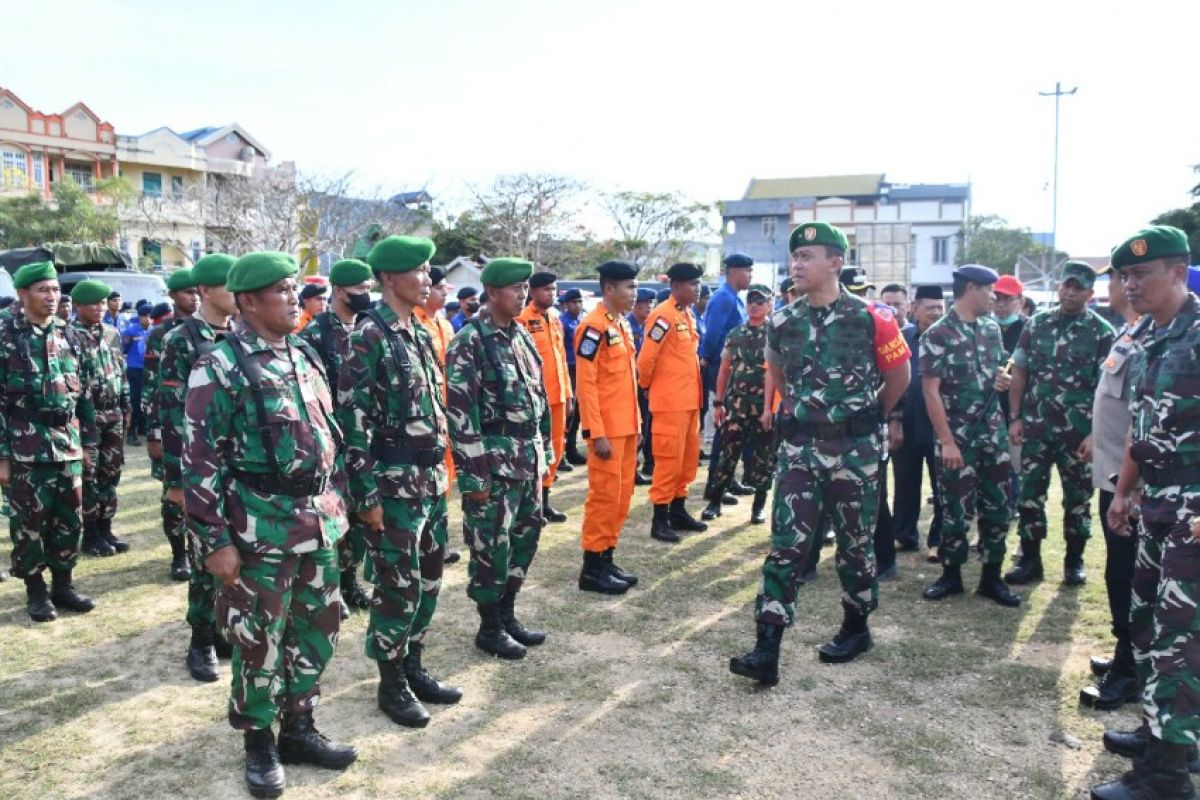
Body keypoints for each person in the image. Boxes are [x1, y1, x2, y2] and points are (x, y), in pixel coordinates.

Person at [184, 251, 357, 798]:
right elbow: (199, 461)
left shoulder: (302, 355)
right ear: (250, 301)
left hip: (317, 521)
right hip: (259, 528)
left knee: (318, 628)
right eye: (281, 290)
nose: (294, 298)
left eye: (293, 288)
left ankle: (299, 727)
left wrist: (340, 502)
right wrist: (214, 541)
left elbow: (327, 436)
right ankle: (258, 739)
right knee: (258, 638)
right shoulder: (220, 365)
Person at [729, 222, 909, 685]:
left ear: (836, 263)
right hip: (800, 449)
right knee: (786, 545)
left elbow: (899, 378)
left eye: (808, 255)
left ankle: (856, 624)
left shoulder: (873, 317)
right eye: (795, 256)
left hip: (855, 450)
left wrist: (864, 419)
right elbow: (779, 377)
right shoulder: (783, 320)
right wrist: (807, 415)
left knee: (854, 545)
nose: (797, 264)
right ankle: (767, 645)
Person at [1092, 225, 1199, 799]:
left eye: (1142, 274)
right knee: (1152, 629)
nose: (1130, 285)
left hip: (1194, 508)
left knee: (1181, 638)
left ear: (1179, 273)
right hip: (1156, 503)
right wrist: (1123, 491)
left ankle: (1167, 777)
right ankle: (1165, 733)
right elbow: (1141, 428)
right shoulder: (1148, 341)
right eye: (1125, 276)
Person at [338, 237, 462, 729]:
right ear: (390, 278)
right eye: (419, 270)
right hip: (392, 488)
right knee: (397, 586)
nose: (427, 279)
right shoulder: (368, 335)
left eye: (429, 270)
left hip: (428, 481)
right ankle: (391, 681)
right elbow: (352, 419)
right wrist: (365, 495)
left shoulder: (419, 332)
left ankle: (413, 664)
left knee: (429, 580)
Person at [446, 258, 552, 661]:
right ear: (492, 293)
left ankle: (507, 614)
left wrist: (546, 450)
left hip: (526, 461)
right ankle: (489, 626)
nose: (523, 294)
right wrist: (474, 478)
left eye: (526, 287)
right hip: (494, 465)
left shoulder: (520, 336)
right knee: (492, 546)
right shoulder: (470, 341)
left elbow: (538, 399)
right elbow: (461, 414)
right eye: (515, 288)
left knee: (527, 536)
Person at [1006, 261, 1115, 586]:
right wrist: (1015, 417)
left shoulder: (1101, 332)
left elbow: (1106, 388)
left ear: (1090, 293)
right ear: (1059, 287)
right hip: (1036, 429)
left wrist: (1096, 433)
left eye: (1078, 287)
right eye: (1066, 285)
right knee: (1030, 496)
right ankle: (1030, 560)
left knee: (1078, 499)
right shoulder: (1035, 325)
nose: (1070, 292)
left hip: (1078, 434)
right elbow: (1020, 372)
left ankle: (1074, 561)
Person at [918, 266, 1021, 607]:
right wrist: (946, 441)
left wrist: (1001, 381)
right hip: (957, 439)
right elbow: (931, 393)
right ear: (971, 289)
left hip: (993, 436)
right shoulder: (938, 334)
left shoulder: (991, 330)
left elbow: (999, 369)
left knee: (998, 508)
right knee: (955, 511)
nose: (995, 297)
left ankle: (991, 578)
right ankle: (951, 575)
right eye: (990, 291)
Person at [0, 261, 97, 623]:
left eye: (56, 290)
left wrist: (87, 442)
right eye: (43, 289)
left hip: (67, 442)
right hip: (25, 445)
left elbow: (83, 394)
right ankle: (36, 591)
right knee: (29, 524)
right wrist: (2, 456)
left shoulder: (69, 334)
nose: (52, 297)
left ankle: (64, 585)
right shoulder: (5, 334)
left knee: (69, 519)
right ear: (23, 294)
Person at [160, 253, 238, 683]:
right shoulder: (182, 339)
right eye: (229, 286)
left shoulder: (244, 333)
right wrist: (176, 480)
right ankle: (201, 639)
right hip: (202, 468)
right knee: (205, 556)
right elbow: (172, 414)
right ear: (206, 291)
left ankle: (224, 631)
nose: (238, 294)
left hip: (242, 468)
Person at [1078, 262, 1147, 711]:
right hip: (1114, 475)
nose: (1120, 285)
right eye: (1120, 277)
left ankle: (1132, 668)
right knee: (1120, 573)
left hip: (1136, 483)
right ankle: (1128, 655)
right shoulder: (1129, 333)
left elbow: (1142, 422)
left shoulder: (1153, 338)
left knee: (1133, 577)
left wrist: (1126, 487)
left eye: (1125, 277)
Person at [299, 259, 376, 617]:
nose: (368, 295)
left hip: (365, 437)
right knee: (334, 517)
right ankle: (332, 586)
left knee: (360, 516)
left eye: (370, 288)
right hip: (332, 441)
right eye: (361, 289)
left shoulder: (368, 328)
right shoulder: (314, 335)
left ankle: (349, 579)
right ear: (342, 291)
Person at [573, 260, 642, 595]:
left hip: (626, 427)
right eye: (629, 287)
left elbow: (628, 382)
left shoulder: (621, 325)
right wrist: (595, 433)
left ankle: (607, 557)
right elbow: (586, 385)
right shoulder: (593, 326)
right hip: (607, 432)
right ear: (609, 289)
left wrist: (638, 424)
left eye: (635, 286)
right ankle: (592, 568)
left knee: (621, 496)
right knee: (603, 497)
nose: (635, 293)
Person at [638, 262, 708, 543]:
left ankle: (678, 510)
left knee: (687, 459)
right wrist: (646, 386)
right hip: (670, 403)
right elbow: (646, 360)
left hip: (689, 400)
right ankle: (660, 519)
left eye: (698, 283)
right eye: (692, 284)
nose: (697, 288)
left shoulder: (685, 314)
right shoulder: (662, 316)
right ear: (676, 286)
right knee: (668, 461)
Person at [144, 266, 201, 580]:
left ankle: (199, 549)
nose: (193, 297)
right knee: (175, 493)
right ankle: (179, 554)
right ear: (173, 296)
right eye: (187, 292)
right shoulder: (162, 334)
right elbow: (155, 388)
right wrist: (154, 432)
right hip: (173, 424)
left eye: (196, 291)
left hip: (205, 424)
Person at [701, 284, 774, 524]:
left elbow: (779, 371)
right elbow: (724, 369)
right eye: (751, 301)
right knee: (727, 454)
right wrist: (719, 402)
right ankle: (715, 501)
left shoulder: (776, 334)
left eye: (760, 301)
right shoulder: (736, 334)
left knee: (764, 459)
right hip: (737, 405)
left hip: (765, 407)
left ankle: (758, 507)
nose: (755, 305)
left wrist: (771, 408)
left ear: (769, 305)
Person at [70, 280, 131, 558]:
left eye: (103, 302)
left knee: (111, 471)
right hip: (88, 416)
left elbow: (122, 371)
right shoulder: (69, 335)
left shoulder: (111, 333)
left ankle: (106, 528)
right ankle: (91, 534)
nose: (99, 307)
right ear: (78, 305)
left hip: (114, 412)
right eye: (93, 303)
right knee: (89, 476)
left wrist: (127, 406)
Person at [892, 285, 945, 562]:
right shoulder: (901, 338)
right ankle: (904, 535)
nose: (936, 313)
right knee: (905, 482)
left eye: (940, 307)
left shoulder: (951, 337)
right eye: (930, 308)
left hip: (941, 426)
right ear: (915, 309)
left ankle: (938, 540)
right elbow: (889, 380)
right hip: (907, 423)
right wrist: (894, 421)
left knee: (943, 486)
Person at [517, 271, 574, 523]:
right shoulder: (522, 319)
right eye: (546, 290)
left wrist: (569, 394)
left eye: (554, 289)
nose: (551, 294)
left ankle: (546, 501)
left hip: (558, 396)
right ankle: (531, 505)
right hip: (535, 399)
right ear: (532, 291)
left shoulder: (554, 319)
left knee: (555, 449)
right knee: (535, 452)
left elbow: (561, 359)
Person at [415, 266, 462, 566]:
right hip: (426, 417)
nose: (445, 292)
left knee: (445, 479)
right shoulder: (415, 324)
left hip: (449, 414)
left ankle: (438, 541)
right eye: (440, 287)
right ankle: (423, 543)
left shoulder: (445, 324)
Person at [700, 254, 754, 502]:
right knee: (723, 429)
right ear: (734, 272)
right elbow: (712, 336)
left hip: (735, 373)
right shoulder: (723, 298)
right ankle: (715, 484)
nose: (750, 276)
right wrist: (707, 360)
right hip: (722, 371)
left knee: (734, 430)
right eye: (747, 271)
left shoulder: (734, 297)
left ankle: (729, 479)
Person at [993, 273, 1027, 517]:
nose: (1002, 305)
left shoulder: (1029, 329)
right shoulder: (985, 328)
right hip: (989, 412)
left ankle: (1016, 506)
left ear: (1020, 301)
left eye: (1008, 299)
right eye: (997, 298)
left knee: (1017, 465)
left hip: (1018, 413)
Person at [628, 287, 656, 484]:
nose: (648, 307)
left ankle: (649, 462)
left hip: (649, 381)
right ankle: (631, 468)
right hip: (632, 382)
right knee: (637, 425)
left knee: (649, 424)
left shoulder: (651, 326)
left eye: (650, 304)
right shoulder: (627, 325)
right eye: (643, 304)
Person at [558, 287, 588, 467]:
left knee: (577, 413)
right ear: (566, 304)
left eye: (579, 302)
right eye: (573, 302)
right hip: (569, 369)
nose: (577, 305)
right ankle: (562, 453)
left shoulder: (582, 320)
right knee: (568, 413)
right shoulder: (562, 322)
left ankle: (571, 449)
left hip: (581, 368)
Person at [121, 304, 152, 445]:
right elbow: (124, 349)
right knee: (134, 400)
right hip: (134, 369)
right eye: (145, 316)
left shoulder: (153, 331)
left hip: (148, 370)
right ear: (139, 317)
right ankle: (131, 433)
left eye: (150, 315)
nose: (148, 319)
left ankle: (142, 426)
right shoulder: (131, 331)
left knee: (147, 399)